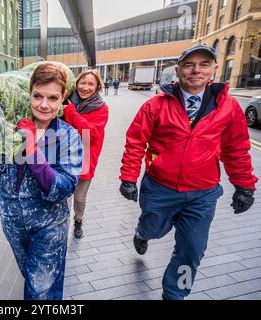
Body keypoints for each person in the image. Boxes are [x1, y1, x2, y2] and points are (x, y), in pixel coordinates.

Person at [119, 44, 258, 300]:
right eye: (189, 64)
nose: (196, 70)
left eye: (204, 64)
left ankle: (175, 292)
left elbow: (236, 149)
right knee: (154, 228)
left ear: (214, 70)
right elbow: (136, 141)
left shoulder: (228, 108)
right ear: (178, 69)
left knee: (191, 249)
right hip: (159, 188)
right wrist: (128, 177)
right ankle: (143, 232)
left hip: (202, 194)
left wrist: (245, 186)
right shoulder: (156, 106)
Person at [0, 62, 83, 300]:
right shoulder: (13, 126)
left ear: (63, 98)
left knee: (39, 290)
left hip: (48, 225)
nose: (44, 105)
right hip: (12, 221)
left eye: (52, 98)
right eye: (37, 96)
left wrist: (31, 147)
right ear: (30, 94)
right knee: (32, 277)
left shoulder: (69, 136)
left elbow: (62, 187)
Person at [63, 69, 109, 239]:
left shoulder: (101, 108)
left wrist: (70, 112)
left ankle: (78, 220)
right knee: (63, 195)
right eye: (83, 82)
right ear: (76, 83)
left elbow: (90, 133)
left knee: (80, 197)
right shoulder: (67, 100)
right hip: (64, 157)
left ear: (98, 86)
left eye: (91, 84)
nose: (86, 87)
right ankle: (62, 225)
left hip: (85, 158)